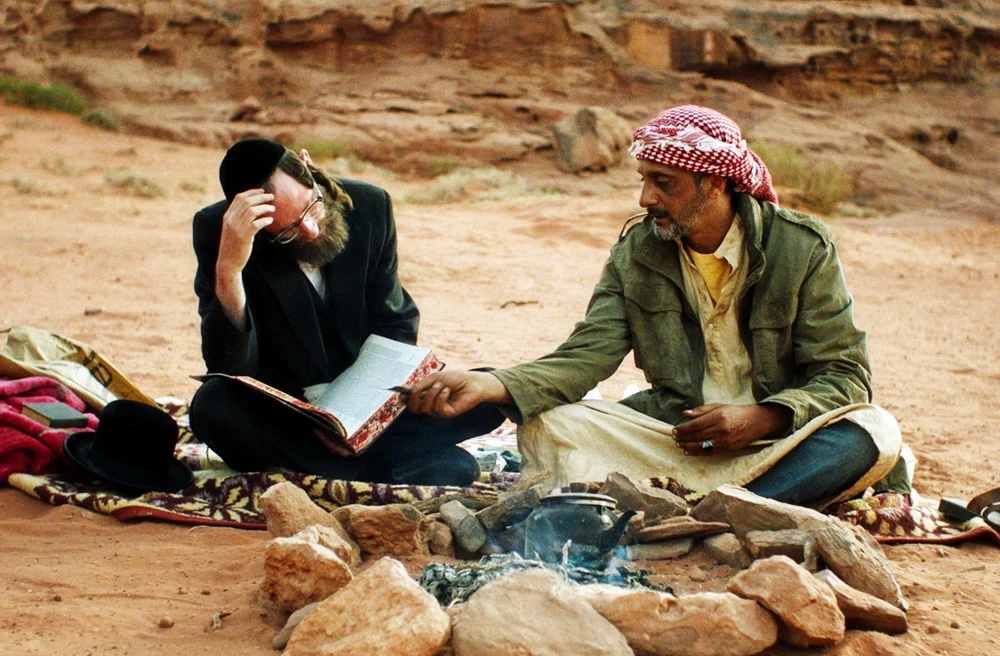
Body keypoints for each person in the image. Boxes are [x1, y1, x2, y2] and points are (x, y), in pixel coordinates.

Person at [405, 105, 903, 508]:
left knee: (872, 431)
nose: (646, 198)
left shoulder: (801, 247)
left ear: (715, 183)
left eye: (665, 182)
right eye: (644, 179)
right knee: (550, 425)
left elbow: (844, 375)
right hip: (677, 436)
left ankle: (722, 508)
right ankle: (744, 507)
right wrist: (492, 384)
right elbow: (588, 355)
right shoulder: (637, 253)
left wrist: (764, 418)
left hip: (778, 440)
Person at [189, 138, 504, 486]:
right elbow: (230, 370)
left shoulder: (370, 205)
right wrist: (229, 272)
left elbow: (395, 321)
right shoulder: (220, 232)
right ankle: (388, 470)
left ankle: (342, 469)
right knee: (212, 406)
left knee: (485, 391)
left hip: (374, 407)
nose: (310, 230)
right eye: (288, 230)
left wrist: (365, 417)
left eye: (312, 207)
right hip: (291, 419)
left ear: (310, 169)